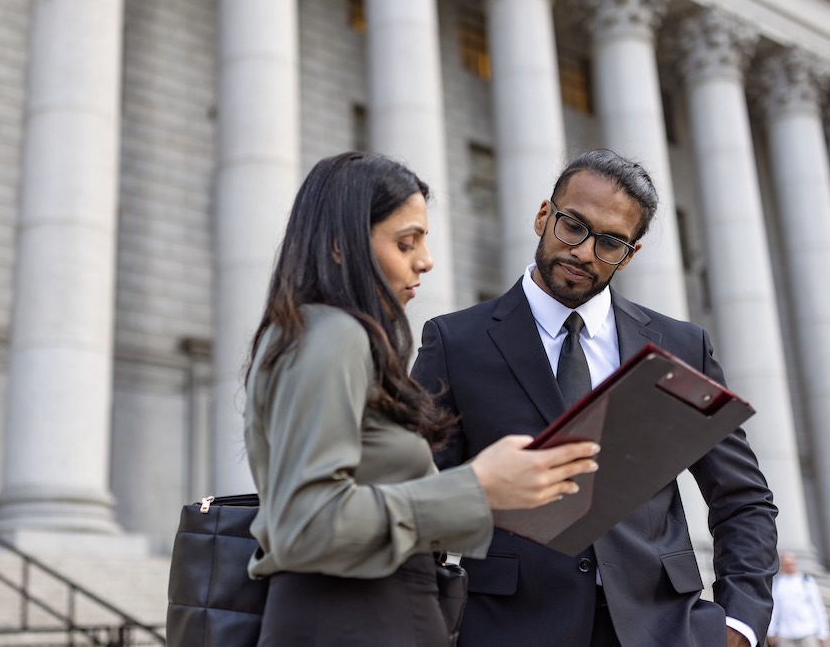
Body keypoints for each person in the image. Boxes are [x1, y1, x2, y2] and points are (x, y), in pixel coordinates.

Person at [411, 148, 779, 647]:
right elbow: (419, 494)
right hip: (507, 629)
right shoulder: (456, 343)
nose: (584, 251)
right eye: (573, 226)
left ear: (630, 254)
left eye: (610, 243)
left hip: (663, 629)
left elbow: (742, 497)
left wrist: (739, 623)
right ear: (544, 215)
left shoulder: (680, 346)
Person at [242, 151, 601, 647]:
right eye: (405, 242)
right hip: (352, 618)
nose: (425, 261)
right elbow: (305, 524)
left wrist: (501, 492)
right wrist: (477, 485)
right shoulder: (332, 335)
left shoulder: (318, 334)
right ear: (338, 246)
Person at [767, 551, 829, 647]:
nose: (790, 567)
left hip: (808, 631)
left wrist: (823, 631)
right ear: (782, 566)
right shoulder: (777, 584)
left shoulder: (806, 581)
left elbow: (817, 606)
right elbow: (775, 609)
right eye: (786, 564)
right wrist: (771, 631)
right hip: (784, 633)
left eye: (792, 564)